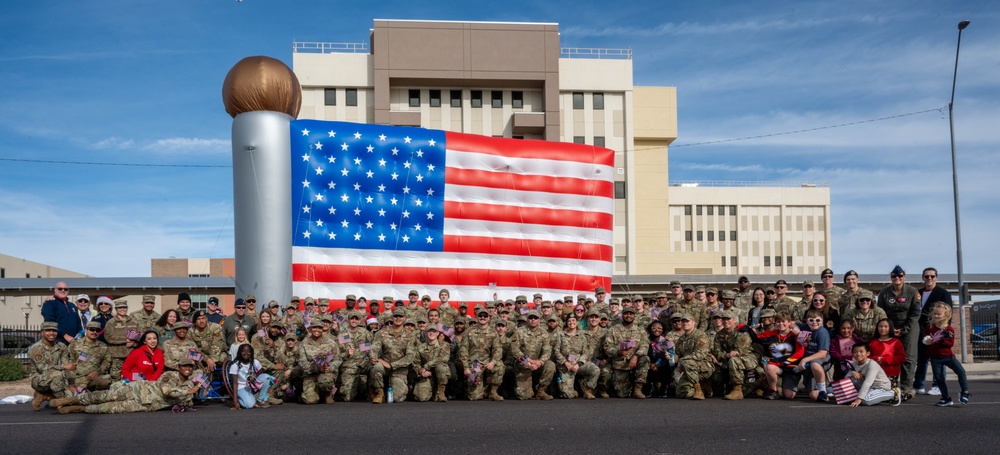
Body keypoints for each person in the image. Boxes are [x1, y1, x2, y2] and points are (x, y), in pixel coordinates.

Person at [50, 358, 201, 414]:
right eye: (185, 366)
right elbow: (167, 391)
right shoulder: (169, 375)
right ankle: (69, 401)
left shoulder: (188, 383)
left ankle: (78, 408)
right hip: (136, 390)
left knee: (108, 408)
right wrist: (187, 391)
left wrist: (190, 394)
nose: (188, 369)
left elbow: (184, 399)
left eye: (190, 367)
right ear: (179, 367)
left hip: (145, 405)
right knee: (104, 396)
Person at [876, 265, 921, 401]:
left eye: (900, 276)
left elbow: (916, 312)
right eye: (894, 276)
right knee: (887, 356)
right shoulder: (884, 292)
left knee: (908, 358)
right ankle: (888, 386)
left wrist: (905, 329)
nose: (897, 278)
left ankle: (907, 387)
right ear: (891, 277)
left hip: (909, 327)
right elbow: (882, 312)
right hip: (890, 327)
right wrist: (890, 328)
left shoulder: (913, 292)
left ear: (904, 277)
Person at [915, 267, 953, 396]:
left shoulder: (943, 293)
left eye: (932, 276)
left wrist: (943, 332)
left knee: (938, 359)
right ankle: (919, 384)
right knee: (921, 359)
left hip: (937, 331)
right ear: (923, 278)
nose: (929, 278)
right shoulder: (918, 293)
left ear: (936, 277)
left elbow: (948, 314)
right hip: (921, 332)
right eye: (926, 276)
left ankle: (937, 385)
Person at [924, 302, 970, 406]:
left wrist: (937, 340)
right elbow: (925, 338)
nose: (936, 316)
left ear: (946, 315)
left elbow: (950, 344)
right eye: (935, 313)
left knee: (961, 372)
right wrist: (927, 340)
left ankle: (965, 392)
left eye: (939, 314)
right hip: (935, 358)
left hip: (948, 356)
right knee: (939, 379)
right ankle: (946, 398)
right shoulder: (930, 327)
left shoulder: (948, 329)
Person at [755, 311, 804, 400]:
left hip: (791, 367)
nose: (781, 324)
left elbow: (800, 353)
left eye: (783, 321)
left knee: (789, 396)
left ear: (789, 322)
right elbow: (755, 337)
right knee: (769, 367)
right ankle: (773, 390)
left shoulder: (795, 335)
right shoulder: (771, 334)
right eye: (778, 321)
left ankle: (788, 384)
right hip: (777, 366)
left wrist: (785, 362)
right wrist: (745, 328)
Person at [459, 306, 504, 401]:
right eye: (480, 315)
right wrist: (466, 367)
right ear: (476, 317)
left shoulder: (493, 332)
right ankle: (482, 388)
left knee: (500, 366)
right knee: (475, 397)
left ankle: (493, 392)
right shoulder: (469, 332)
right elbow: (463, 350)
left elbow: (498, 350)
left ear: (489, 318)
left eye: (485, 316)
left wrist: (493, 362)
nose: (482, 317)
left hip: (488, 363)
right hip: (475, 363)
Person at [712, 310, 759, 400]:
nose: (726, 321)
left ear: (734, 320)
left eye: (728, 319)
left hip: (747, 358)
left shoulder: (741, 332)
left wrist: (726, 356)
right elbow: (717, 353)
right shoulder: (719, 335)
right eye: (724, 319)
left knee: (733, 360)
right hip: (729, 359)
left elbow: (738, 352)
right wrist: (726, 355)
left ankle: (737, 389)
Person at [369, 308, 414, 403]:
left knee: (397, 398)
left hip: (399, 369)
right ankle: (379, 393)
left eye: (400, 316)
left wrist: (392, 365)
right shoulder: (381, 333)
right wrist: (374, 357)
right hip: (384, 366)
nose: (398, 318)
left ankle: (404, 388)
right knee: (376, 367)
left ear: (404, 318)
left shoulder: (410, 336)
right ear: (392, 317)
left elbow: (410, 357)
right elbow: (374, 349)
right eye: (396, 316)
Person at [603, 307, 649, 399]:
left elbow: (645, 345)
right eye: (626, 314)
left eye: (631, 314)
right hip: (620, 364)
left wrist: (636, 356)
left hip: (635, 362)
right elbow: (607, 347)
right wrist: (618, 351)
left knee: (645, 359)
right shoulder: (613, 330)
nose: (628, 316)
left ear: (634, 316)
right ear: (622, 315)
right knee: (622, 394)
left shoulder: (640, 330)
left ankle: (637, 389)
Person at [28, 322, 72, 410]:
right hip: (39, 380)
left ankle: (43, 396)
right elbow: (43, 368)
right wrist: (63, 367)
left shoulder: (61, 346)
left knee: (73, 394)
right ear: (42, 333)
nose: (51, 333)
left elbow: (67, 366)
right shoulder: (35, 349)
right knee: (56, 375)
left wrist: (71, 384)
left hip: (59, 378)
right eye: (48, 330)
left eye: (54, 331)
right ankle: (60, 401)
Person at [789, 309, 832, 401]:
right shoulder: (805, 327)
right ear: (807, 321)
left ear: (822, 321)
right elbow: (791, 323)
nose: (814, 323)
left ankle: (823, 391)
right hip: (807, 360)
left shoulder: (822, 333)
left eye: (818, 320)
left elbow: (823, 353)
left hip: (821, 359)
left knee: (814, 364)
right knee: (813, 396)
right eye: (811, 320)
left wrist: (804, 360)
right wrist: (797, 330)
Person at [299, 316, 341, 404]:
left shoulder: (331, 342)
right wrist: (315, 368)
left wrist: (331, 367)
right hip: (311, 373)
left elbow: (338, 359)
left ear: (322, 329)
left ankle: (327, 393)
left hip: (325, 373)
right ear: (310, 328)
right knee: (310, 400)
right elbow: (302, 361)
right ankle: (317, 393)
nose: (317, 330)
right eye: (314, 327)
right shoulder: (304, 343)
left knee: (326, 382)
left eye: (319, 328)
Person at [514, 310, 556, 400]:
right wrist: (529, 362)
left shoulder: (544, 333)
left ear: (539, 320)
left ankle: (541, 391)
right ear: (527, 319)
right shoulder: (519, 332)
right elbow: (515, 350)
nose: (533, 320)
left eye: (535, 318)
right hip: (523, 364)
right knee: (524, 396)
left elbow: (547, 351)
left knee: (550, 365)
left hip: (538, 364)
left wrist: (540, 362)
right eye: (530, 318)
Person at [673, 313, 714, 400]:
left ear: (693, 322)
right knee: (681, 392)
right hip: (689, 368)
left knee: (687, 362)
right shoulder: (681, 339)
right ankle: (704, 387)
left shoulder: (700, 335)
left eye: (687, 321)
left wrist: (682, 360)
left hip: (704, 366)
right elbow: (678, 354)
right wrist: (671, 358)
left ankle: (698, 390)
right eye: (683, 321)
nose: (685, 323)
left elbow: (700, 354)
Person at [66, 321, 112, 393]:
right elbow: (69, 363)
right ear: (86, 330)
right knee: (78, 394)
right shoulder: (74, 345)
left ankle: (94, 394)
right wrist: (71, 383)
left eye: (97, 330)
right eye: (92, 329)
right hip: (78, 378)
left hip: (94, 377)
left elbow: (107, 362)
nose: (94, 332)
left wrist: (98, 371)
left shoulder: (103, 346)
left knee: (106, 381)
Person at [338, 311, 374, 402]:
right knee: (348, 397)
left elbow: (371, 348)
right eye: (352, 318)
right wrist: (347, 353)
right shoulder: (343, 335)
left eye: (356, 319)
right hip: (349, 366)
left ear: (359, 321)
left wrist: (372, 357)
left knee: (376, 368)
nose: (354, 321)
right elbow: (338, 354)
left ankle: (373, 391)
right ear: (348, 320)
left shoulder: (365, 333)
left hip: (364, 363)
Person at [848, 343, 898, 407]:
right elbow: (846, 378)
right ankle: (867, 395)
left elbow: (868, 382)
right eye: (855, 352)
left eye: (861, 351)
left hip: (880, 387)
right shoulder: (854, 364)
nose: (858, 354)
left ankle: (893, 393)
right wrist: (852, 372)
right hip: (870, 388)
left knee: (865, 401)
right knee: (852, 378)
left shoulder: (872, 364)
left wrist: (859, 398)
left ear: (868, 353)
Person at [228, 344, 275, 409]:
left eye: (249, 351)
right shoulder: (235, 365)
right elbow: (235, 384)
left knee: (266, 377)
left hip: (253, 386)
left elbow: (261, 373)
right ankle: (241, 399)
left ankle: (259, 400)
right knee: (249, 405)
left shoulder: (255, 362)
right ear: (240, 352)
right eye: (243, 351)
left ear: (251, 353)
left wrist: (255, 375)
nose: (246, 353)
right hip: (241, 387)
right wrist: (235, 402)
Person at [411, 324, 451, 402]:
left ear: (437, 333)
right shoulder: (420, 348)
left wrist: (426, 366)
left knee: (442, 367)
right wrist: (421, 371)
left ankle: (441, 393)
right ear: (426, 333)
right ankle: (433, 392)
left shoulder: (444, 345)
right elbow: (416, 363)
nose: (431, 333)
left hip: (439, 373)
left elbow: (443, 358)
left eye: (434, 331)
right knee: (421, 397)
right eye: (429, 331)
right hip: (427, 375)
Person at [103, 299, 140, 381]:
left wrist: (133, 343)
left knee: (134, 377)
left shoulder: (134, 322)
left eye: (124, 307)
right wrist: (125, 340)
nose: (122, 309)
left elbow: (140, 336)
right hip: (117, 356)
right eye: (120, 308)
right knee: (115, 378)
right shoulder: (111, 323)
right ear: (116, 309)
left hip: (132, 355)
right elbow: (108, 337)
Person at [644, 320, 673, 398]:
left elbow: (670, 356)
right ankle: (650, 387)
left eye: (659, 328)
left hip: (662, 365)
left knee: (668, 363)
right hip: (649, 365)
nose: (656, 330)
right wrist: (651, 364)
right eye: (654, 328)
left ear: (662, 330)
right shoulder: (646, 341)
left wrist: (658, 365)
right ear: (650, 329)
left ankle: (664, 388)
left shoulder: (666, 342)